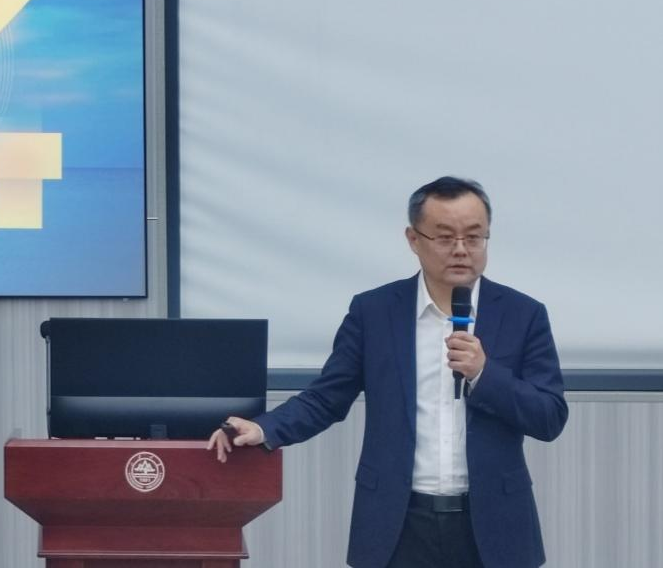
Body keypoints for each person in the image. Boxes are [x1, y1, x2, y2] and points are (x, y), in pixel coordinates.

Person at [207, 176, 567, 568]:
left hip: (495, 525)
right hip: (398, 523)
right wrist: (265, 428)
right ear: (414, 239)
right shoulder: (374, 312)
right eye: (445, 237)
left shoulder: (524, 314)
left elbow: (549, 416)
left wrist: (484, 374)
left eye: (474, 237)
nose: (461, 250)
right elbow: (326, 398)